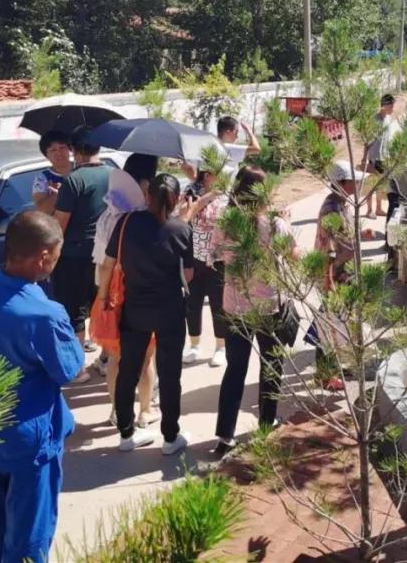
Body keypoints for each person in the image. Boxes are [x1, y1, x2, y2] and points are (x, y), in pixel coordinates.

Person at [0, 211, 84, 563]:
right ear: (43, 257)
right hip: (28, 441)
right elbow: (68, 370)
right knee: (28, 540)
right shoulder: (45, 314)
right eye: (56, 256)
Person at [103, 174, 194, 454]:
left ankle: (126, 434)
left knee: (128, 369)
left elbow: (108, 264)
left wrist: (104, 297)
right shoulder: (181, 229)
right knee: (170, 373)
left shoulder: (126, 222)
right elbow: (189, 275)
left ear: (147, 196)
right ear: (177, 199)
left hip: (134, 307)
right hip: (170, 309)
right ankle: (170, 437)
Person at [213, 166, 296, 453]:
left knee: (235, 368)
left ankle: (225, 434)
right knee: (271, 365)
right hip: (268, 306)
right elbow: (294, 255)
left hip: (235, 305)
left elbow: (216, 255)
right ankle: (266, 422)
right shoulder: (274, 225)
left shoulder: (226, 223)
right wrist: (286, 222)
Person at [91, 169, 158, 429]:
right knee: (145, 358)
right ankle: (145, 410)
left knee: (116, 359)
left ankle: (116, 411)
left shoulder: (106, 217)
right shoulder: (142, 221)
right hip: (141, 297)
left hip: (113, 297)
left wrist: (102, 298)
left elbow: (101, 263)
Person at [53, 126, 112, 372]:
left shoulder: (74, 180)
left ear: (75, 151)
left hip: (75, 256)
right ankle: (107, 359)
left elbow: (59, 225)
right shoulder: (114, 175)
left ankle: (78, 369)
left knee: (75, 312)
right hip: (107, 255)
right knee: (104, 305)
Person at [314, 160, 374, 391]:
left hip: (345, 273)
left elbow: (343, 234)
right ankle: (325, 374)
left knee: (338, 323)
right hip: (335, 275)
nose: (358, 184)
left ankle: (333, 368)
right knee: (329, 325)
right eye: (354, 181)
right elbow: (329, 247)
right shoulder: (331, 209)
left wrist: (360, 233)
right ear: (341, 183)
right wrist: (328, 278)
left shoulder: (343, 204)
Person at [181, 169, 231, 367]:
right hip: (194, 258)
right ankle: (194, 344)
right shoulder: (192, 190)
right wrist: (209, 196)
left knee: (219, 305)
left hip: (218, 260)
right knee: (192, 303)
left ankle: (220, 347)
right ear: (207, 174)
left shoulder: (228, 194)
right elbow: (184, 215)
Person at [363, 94, 396, 218]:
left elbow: (388, 139)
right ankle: (369, 210)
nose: (393, 108)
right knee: (371, 184)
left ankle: (378, 208)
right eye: (391, 106)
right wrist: (364, 157)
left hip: (385, 157)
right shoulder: (374, 120)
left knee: (382, 184)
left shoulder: (388, 119)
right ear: (385, 105)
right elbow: (367, 140)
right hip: (374, 157)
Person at [33, 131, 73, 214]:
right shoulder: (42, 178)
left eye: (62, 148)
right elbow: (42, 211)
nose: (59, 153)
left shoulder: (82, 169)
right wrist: (56, 195)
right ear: (46, 155)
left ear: (69, 149)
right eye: (53, 150)